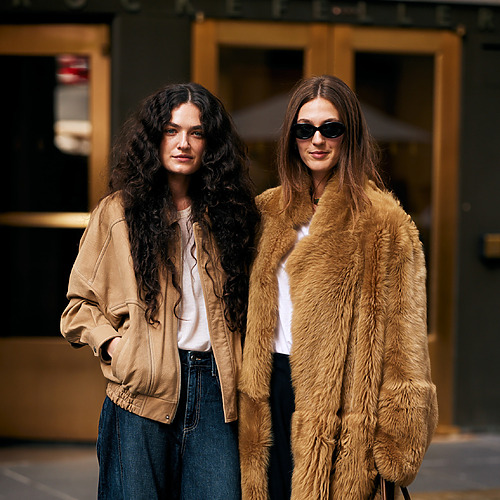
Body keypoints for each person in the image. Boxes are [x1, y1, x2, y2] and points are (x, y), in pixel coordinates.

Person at [238, 75, 438, 499]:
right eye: (304, 129)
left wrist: (397, 437)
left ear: (350, 135)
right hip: (269, 392)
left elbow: (405, 342)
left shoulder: (384, 221)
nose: (317, 140)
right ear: (291, 136)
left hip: (343, 406)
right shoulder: (266, 211)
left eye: (330, 128)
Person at [60, 82, 259, 499]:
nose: (183, 143)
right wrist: (118, 348)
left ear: (210, 144)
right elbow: (78, 307)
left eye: (196, 132)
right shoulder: (118, 213)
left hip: (216, 395)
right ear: (154, 138)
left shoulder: (231, 215)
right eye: (172, 130)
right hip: (141, 395)